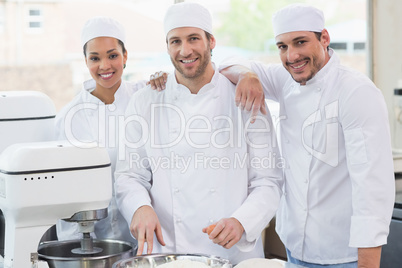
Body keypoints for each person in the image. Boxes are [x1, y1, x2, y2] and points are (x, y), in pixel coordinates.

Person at [217, 4, 395, 268]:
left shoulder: (356, 92)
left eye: (300, 42)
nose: (292, 55)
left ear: (324, 38)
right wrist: (248, 75)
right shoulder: (285, 79)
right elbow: (225, 64)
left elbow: (372, 190)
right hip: (294, 250)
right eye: (282, 46)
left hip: (343, 255)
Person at [114, 2, 283, 264]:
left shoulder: (246, 99)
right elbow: (129, 175)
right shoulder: (145, 101)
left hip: (232, 251)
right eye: (175, 41)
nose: (185, 50)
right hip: (168, 250)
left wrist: (242, 221)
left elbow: (269, 181)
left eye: (194, 38)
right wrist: (140, 207)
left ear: (211, 41)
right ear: (167, 46)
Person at [54, 16, 146, 245]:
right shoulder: (70, 118)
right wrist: (79, 248)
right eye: (95, 58)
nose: (104, 66)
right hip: (93, 245)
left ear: (125, 56)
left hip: (146, 238)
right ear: (85, 61)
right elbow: (66, 191)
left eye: (112, 55)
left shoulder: (144, 99)